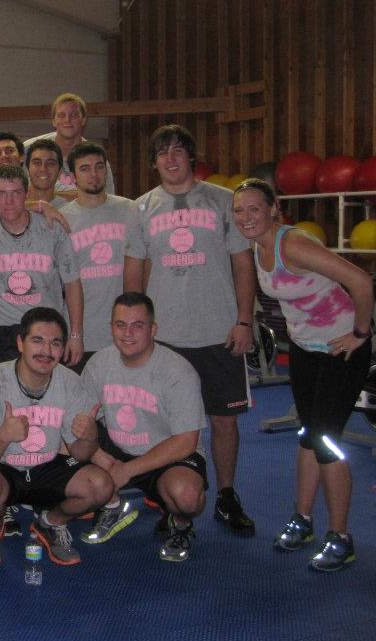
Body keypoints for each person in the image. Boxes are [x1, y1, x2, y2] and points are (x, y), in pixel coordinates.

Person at [123, 124, 256, 537]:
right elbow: (133, 274)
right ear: (154, 162)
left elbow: (242, 264)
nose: (171, 159)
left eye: (179, 151)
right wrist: (136, 328)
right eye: (163, 153)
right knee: (168, 425)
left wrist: (245, 320)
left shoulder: (222, 201)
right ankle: (169, 497)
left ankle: (227, 495)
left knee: (223, 422)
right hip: (166, 338)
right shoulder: (141, 209)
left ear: (192, 158)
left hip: (219, 332)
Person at [233, 179, 372, 571]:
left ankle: (341, 536)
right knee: (307, 435)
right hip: (306, 350)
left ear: (274, 208)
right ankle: (304, 519)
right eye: (239, 211)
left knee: (327, 441)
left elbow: (361, 281)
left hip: (342, 350)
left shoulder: (291, 244)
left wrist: (361, 333)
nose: (246, 217)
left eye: (255, 209)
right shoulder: (255, 248)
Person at [0, 307, 112, 570]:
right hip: (3, 467)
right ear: (20, 343)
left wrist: (90, 437)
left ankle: (51, 522)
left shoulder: (70, 382)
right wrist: (3, 435)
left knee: (100, 486)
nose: (46, 351)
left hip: (47, 464)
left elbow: (80, 454)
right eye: (37, 340)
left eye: (55, 343)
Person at [81, 292, 208, 562]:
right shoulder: (99, 364)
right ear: (111, 327)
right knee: (67, 445)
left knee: (186, 498)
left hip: (165, 452)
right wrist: (98, 456)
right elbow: (80, 423)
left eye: (137, 325)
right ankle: (113, 506)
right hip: (116, 446)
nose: (127, 334)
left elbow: (186, 441)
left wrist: (127, 471)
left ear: (153, 330)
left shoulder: (178, 372)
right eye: (120, 325)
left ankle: (180, 523)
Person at [0, 164, 83, 371]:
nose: (9, 201)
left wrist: (75, 334)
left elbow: (72, 283)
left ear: (27, 194)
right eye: (1, 194)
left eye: (16, 193)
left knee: (47, 400)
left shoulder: (51, 227)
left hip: (45, 329)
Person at [58, 142, 135, 372]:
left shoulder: (131, 210)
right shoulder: (61, 218)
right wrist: (74, 333)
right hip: (82, 334)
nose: (93, 174)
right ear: (72, 176)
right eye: (85, 169)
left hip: (124, 332)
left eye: (99, 167)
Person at [23, 92, 117, 195]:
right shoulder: (29, 150)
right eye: (61, 115)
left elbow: (106, 198)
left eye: (73, 115)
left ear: (84, 119)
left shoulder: (95, 159)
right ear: (53, 121)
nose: (67, 120)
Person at [24, 138, 65, 207]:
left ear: (59, 172)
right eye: (37, 163)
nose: (43, 169)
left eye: (50, 163)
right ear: (27, 170)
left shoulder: (68, 211)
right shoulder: (9, 205)